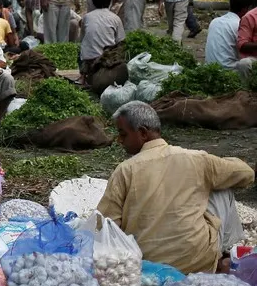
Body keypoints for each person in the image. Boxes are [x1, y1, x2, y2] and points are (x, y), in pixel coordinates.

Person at [99, 101, 252, 274]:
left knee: (217, 182)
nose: (119, 140)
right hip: (196, 262)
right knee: (222, 184)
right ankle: (224, 256)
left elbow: (104, 223)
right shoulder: (196, 159)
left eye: (122, 134)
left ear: (142, 133)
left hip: (146, 265)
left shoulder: (125, 170)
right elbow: (246, 173)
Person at [206, 0, 257, 82]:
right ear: (246, 9)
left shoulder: (215, 21)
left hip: (209, 70)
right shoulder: (239, 24)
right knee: (246, 64)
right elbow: (243, 49)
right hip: (230, 72)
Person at [80, 0, 125, 78]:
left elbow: (82, 38)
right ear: (109, 2)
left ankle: (82, 77)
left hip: (90, 59)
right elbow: (121, 40)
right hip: (107, 60)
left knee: (81, 49)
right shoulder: (115, 18)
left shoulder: (87, 17)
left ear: (93, 2)